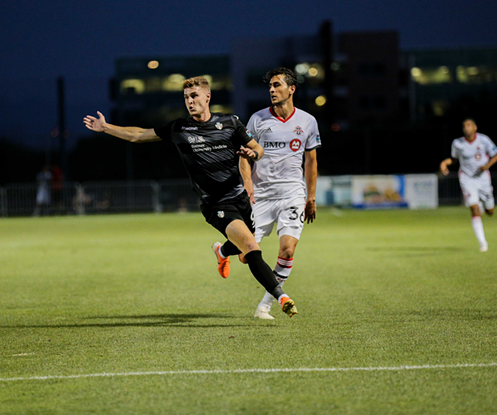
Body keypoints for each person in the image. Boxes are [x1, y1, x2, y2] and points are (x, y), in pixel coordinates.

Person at [83, 76, 298, 317]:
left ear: (207, 97)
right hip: (215, 203)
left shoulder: (229, 122)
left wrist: (252, 153)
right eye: (186, 97)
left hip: (241, 199)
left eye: (194, 96)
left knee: (245, 254)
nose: (189, 101)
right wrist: (106, 127)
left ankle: (222, 252)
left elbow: (257, 148)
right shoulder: (179, 128)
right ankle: (282, 298)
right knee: (250, 247)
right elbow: (139, 134)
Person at [239, 67, 321, 320]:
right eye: (270, 87)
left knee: (287, 249)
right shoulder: (257, 119)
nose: (272, 90)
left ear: (291, 89)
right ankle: (223, 251)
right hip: (261, 195)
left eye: (277, 85)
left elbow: (311, 162)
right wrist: (247, 184)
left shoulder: (307, 121)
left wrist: (310, 197)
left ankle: (266, 305)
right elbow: (242, 156)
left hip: (292, 194)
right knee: (245, 254)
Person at [440, 118, 497, 252]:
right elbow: (454, 159)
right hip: (467, 178)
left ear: (475, 128)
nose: (466, 128)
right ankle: (483, 243)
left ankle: (483, 206)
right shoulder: (457, 143)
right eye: (464, 126)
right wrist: (445, 162)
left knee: (490, 212)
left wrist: (486, 166)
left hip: (483, 178)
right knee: (474, 208)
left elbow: (496, 155)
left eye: (469, 125)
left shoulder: (484, 140)